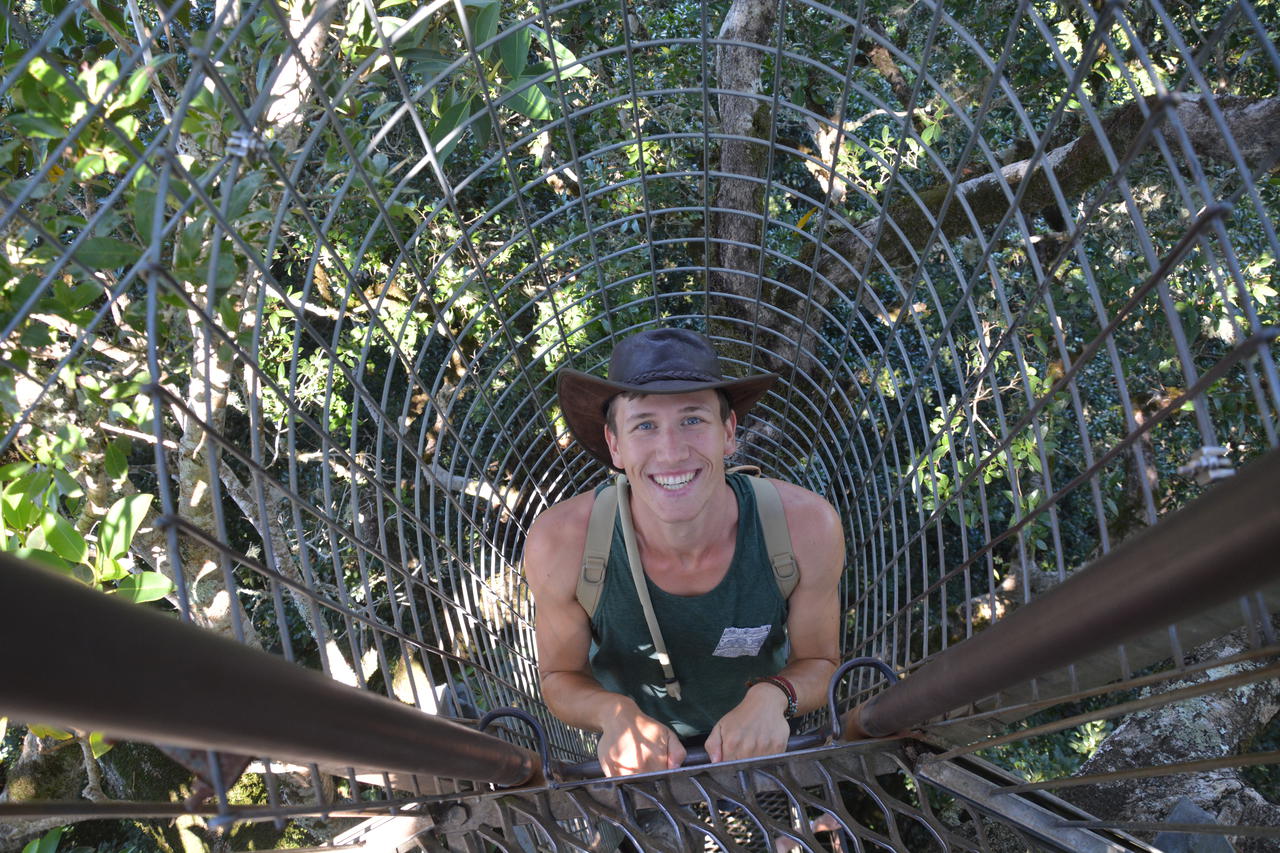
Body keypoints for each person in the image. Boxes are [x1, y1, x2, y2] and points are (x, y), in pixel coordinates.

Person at [524, 327, 844, 777]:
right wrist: (614, 715)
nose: (672, 452)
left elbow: (820, 661)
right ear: (615, 445)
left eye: (692, 420)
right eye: (645, 425)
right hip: (636, 755)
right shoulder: (562, 543)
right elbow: (559, 675)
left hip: (764, 737)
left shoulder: (805, 528)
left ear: (728, 433)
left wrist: (773, 696)